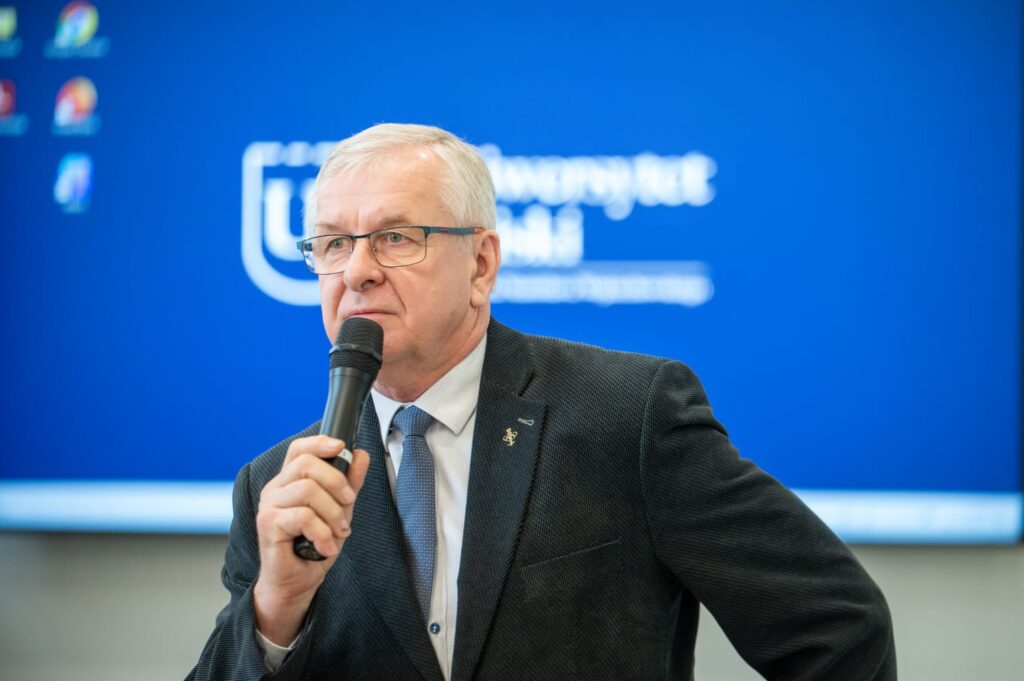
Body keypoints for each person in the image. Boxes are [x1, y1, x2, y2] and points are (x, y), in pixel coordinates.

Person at [188, 123, 896, 681]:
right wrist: (275, 607)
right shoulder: (277, 486)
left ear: (482, 264)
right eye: (333, 243)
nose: (357, 271)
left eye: (396, 238)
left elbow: (838, 628)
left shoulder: (629, 416)